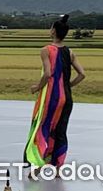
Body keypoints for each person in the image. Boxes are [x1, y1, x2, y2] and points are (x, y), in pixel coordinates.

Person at [24, 15, 86, 176]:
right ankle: (58, 167)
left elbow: (47, 73)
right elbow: (82, 74)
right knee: (60, 131)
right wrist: (67, 86)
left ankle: (38, 167)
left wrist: (37, 87)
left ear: (53, 31)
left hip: (51, 98)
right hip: (66, 98)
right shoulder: (70, 52)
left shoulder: (46, 50)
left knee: (44, 128)